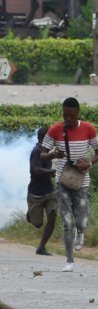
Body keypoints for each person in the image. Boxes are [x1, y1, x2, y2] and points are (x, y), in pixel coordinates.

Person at [41, 97, 98, 272]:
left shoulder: (88, 128)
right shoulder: (55, 130)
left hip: (81, 179)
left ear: (77, 113)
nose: (68, 119)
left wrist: (89, 164)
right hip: (62, 179)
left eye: (71, 115)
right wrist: (53, 155)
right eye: (65, 115)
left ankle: (80, 232)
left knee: (81, 219)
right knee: (67, 221)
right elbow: (42, 154)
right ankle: (69, 260)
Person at [26, 127, 58, 256]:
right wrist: (53, 172)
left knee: (52, 216)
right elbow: (37, 170)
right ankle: (30, 215)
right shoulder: (36, 151)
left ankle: (41, 247)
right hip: (36, 193)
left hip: (49, 191)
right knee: (37, 223)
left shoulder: (48, 152)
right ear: (44, 138)